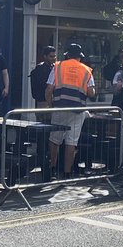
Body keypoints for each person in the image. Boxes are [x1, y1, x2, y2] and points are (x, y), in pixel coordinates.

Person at [46, 43, 95, 180]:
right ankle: (67, 173)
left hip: (60, 107)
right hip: (77, 110)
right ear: (80, 57)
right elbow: (91, 93)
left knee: (55, 139)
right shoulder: (86, 70)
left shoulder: (58, 66)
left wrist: (50, 105)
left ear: (67, 55)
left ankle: (52, 169)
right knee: (71, 142)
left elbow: (49, 89)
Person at [28, 44, 56, 109]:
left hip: (52, 99)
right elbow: (38, 87)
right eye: (51, 56)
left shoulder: (55, 67)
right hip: (42, 101)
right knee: (43, 118)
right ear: (45, 56)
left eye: (54, 56)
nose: (53, 58)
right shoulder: (39, 69)